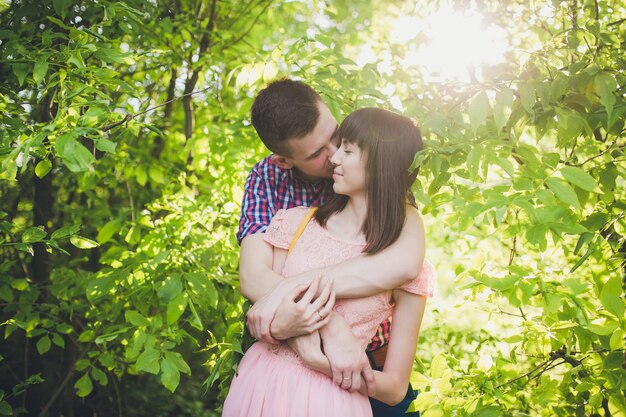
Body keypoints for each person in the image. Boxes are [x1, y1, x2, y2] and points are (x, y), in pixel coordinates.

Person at [223, 107, 435, 416]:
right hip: (260, 387)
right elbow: (260, 314)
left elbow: (394, 389)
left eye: (347, 149)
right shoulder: (293, 223)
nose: (334, 157)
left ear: (380, 166)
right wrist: (315, 326)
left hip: (334, 401)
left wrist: (322, 362)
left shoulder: (405, 256)